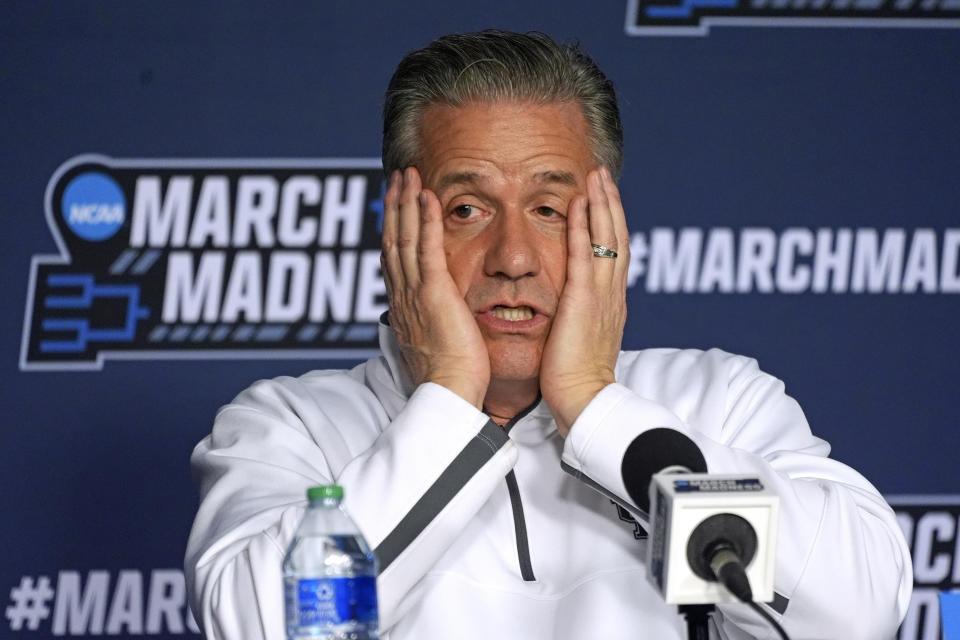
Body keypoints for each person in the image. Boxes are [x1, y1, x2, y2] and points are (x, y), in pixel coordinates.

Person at [185, 30, 912, 639]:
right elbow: (257, 625)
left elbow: (857, 614)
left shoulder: (714, 401)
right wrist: (448, 399)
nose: (514, 259)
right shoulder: (293, 428)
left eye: (549, 210)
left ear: (608, 228)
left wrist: (598, 409)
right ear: (401, 233)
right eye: (468, 209)